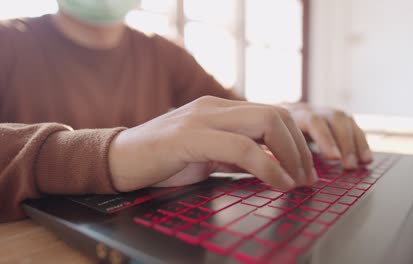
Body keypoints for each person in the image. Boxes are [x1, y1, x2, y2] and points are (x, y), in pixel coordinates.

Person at [0, 0, 372, 222]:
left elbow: (232, 109)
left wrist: (292, 114)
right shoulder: (8, 43)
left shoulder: (162, 54)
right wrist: (111, 153)